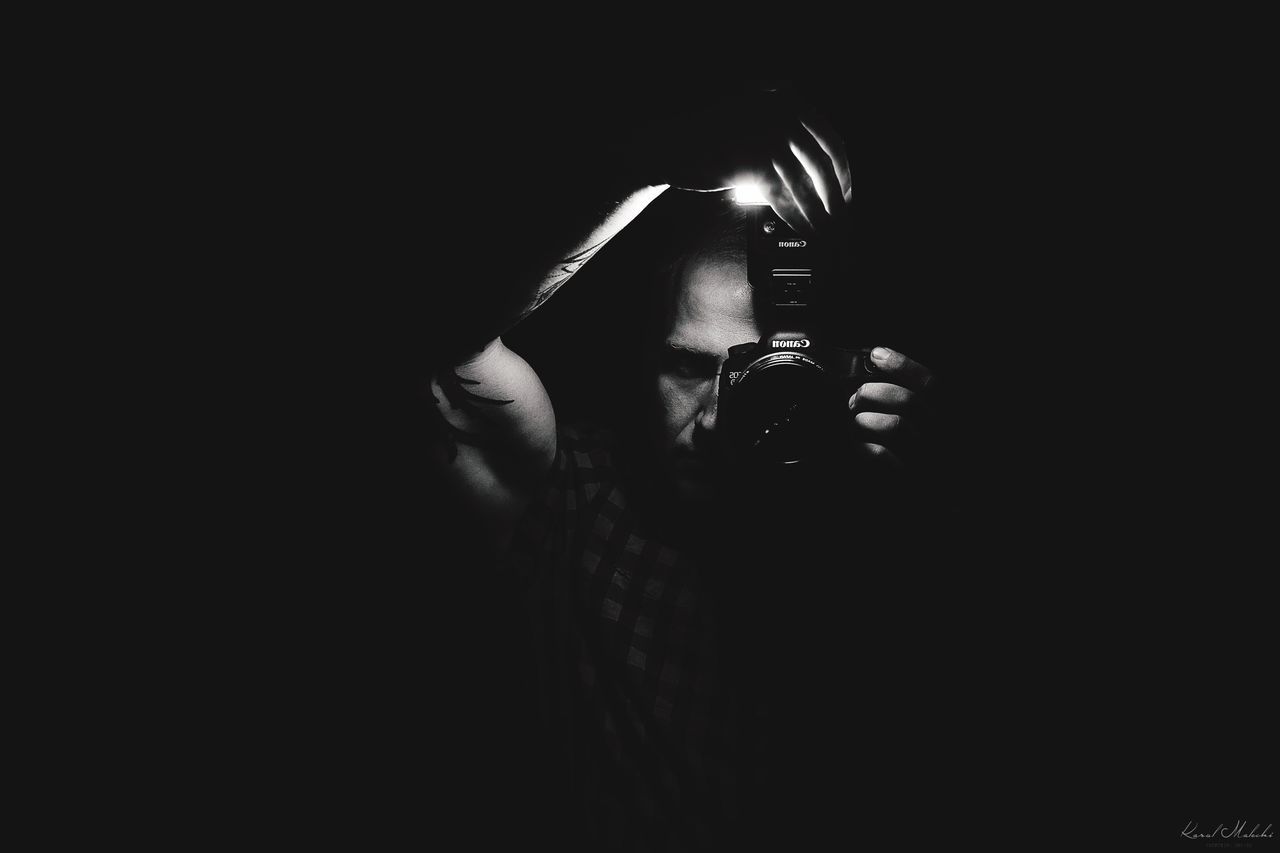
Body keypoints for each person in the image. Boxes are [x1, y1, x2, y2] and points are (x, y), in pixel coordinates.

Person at [426, 84, 947, 851]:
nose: (714, 415)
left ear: (839, 379)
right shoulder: (570, 493)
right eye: (687, 365)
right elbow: (442, 348)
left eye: (763, 377)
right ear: (636, 356)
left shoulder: (865, 524)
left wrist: (920, 519)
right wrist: (646, 165)